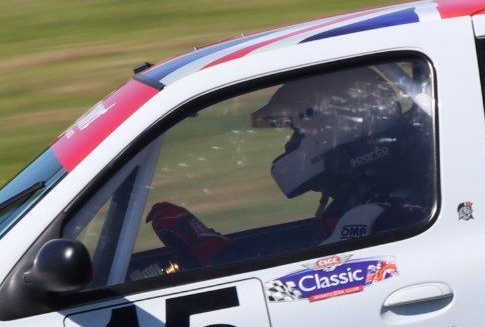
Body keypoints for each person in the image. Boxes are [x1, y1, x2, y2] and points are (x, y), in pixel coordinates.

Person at [144, 66, 431, 267]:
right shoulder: (367, 198)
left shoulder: (370, 216)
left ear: (332, 128)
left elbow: (296, 275)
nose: (290, 145)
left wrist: (211, 251)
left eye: (296, 132)